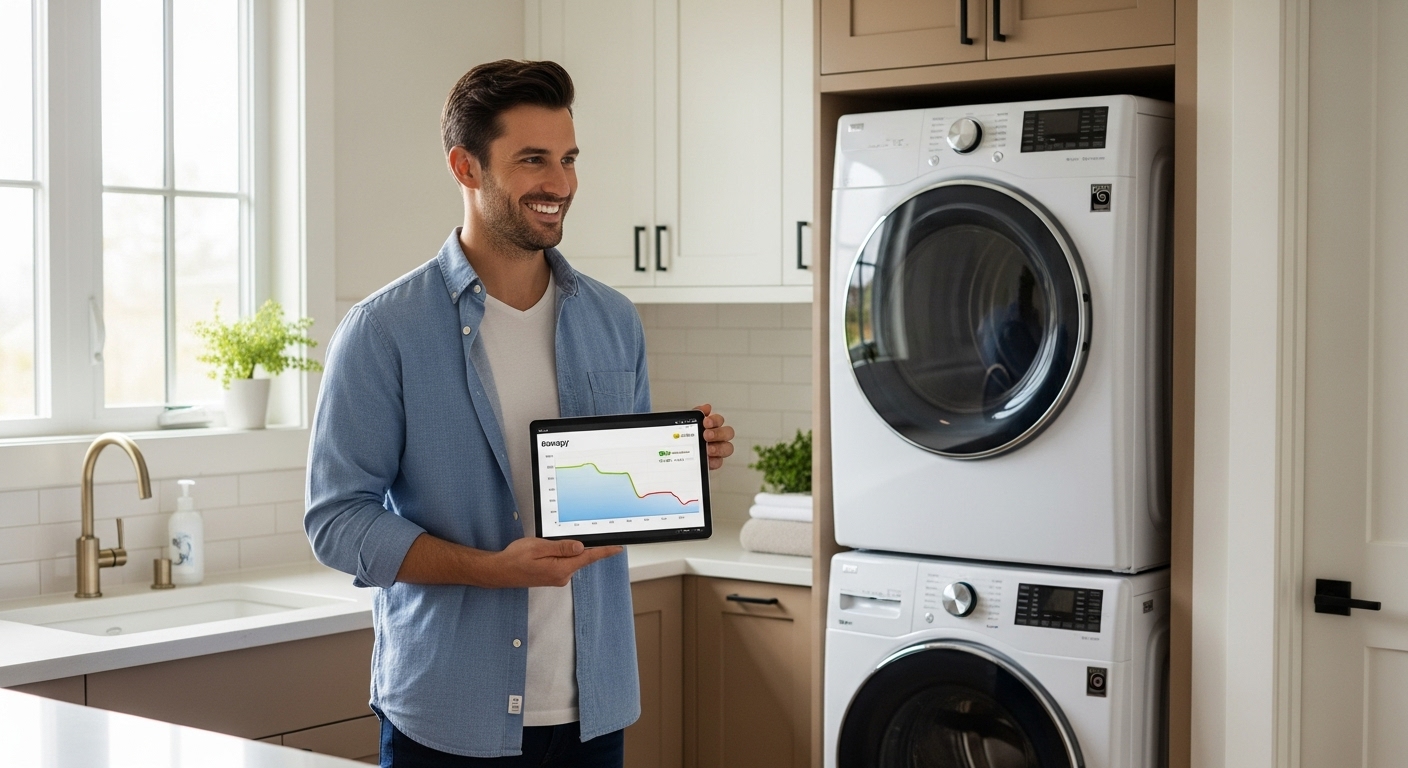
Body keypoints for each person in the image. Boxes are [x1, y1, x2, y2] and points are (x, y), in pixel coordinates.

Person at [305, 59, 736, 767]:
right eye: (533, 160)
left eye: (567, 159)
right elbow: (336, 521)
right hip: (449, 714)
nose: (560, 184)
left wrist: (676, 456)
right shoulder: (385, 330)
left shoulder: (613, 319)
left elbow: (605, 507)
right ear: (465, 167)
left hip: (592, 709)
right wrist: (489, 569)